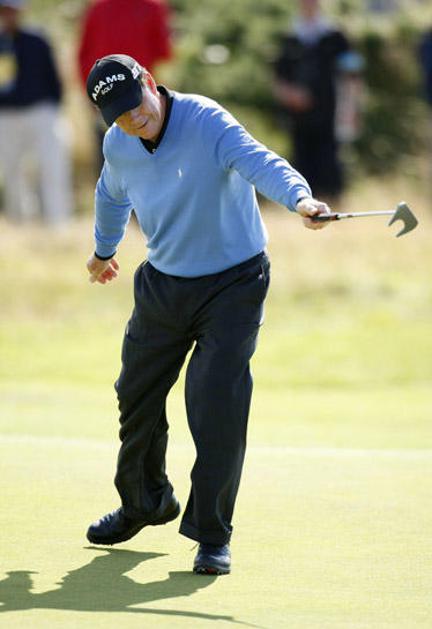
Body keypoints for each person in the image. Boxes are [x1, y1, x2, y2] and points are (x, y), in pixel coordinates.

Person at [85, 53, 331, 575]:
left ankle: (212, 535)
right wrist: (104, 251)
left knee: (215, 401)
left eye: (135, 103)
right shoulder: (119, 143)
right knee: (135, 395)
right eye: (119, 114)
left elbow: (259, 161)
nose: (133, 118)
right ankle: (146, 501)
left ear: (149, 82)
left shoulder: (205, 120)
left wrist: (300, 199)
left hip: (234, 283)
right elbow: (111, 195)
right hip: (164, 284)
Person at [274, 0, 361, 203]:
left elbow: (352, 75)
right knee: (303, 169)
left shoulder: (336, 37)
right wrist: (290, 95)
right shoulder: (290, 38)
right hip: (299, 119)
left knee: (330, 166)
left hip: (330, 116)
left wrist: (353, 109)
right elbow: (278, 78)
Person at [77, 0, 172, 171]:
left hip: (111, 99)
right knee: (144, 162)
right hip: (139, 99)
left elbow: (82, 57)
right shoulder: (152, 6)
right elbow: (164, 54)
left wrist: (93, 98)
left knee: (110, 161)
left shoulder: (97, 8)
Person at [0, 0, 72, 225]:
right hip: (7, 115)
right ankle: (19, 223)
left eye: (12, 11)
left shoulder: (37, 40)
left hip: (41, 112)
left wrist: (55, 108)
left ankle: (57, 222)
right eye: (4, 11)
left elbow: (55, 78)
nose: (8, 15)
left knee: (51, 167)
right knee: (12, 170)